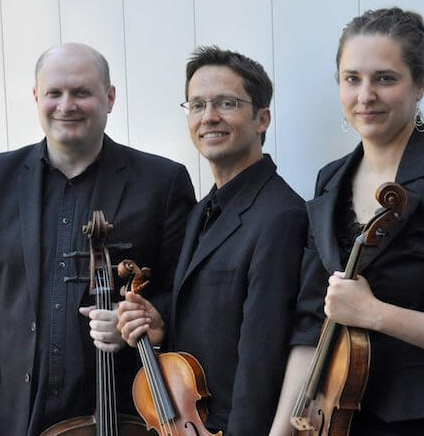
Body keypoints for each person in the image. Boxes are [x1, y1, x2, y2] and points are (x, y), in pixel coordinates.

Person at [270, 7, 424, 435]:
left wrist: (374, 313)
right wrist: (282, 430)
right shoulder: (330, 179)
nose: (366, 95)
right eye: (352, 79)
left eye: (385, 78)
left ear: (420, 84)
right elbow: (313, 322)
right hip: (337, 414)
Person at [0, 43, 196, 436]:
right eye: (54, 93)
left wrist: (139, 319)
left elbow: (183, 292)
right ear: (36, 98)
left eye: (81, 92)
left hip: (117, 411)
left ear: (109, 98)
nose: (67, 105)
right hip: (10, 412)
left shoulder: (161, 183)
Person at [118, 46, 307, 435]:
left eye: (226, 103)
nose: (209, 117)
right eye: (197, 105)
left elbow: (263, 359)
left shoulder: (280, 215)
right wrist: (162, 325)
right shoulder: (201, 210)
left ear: (262, 118)